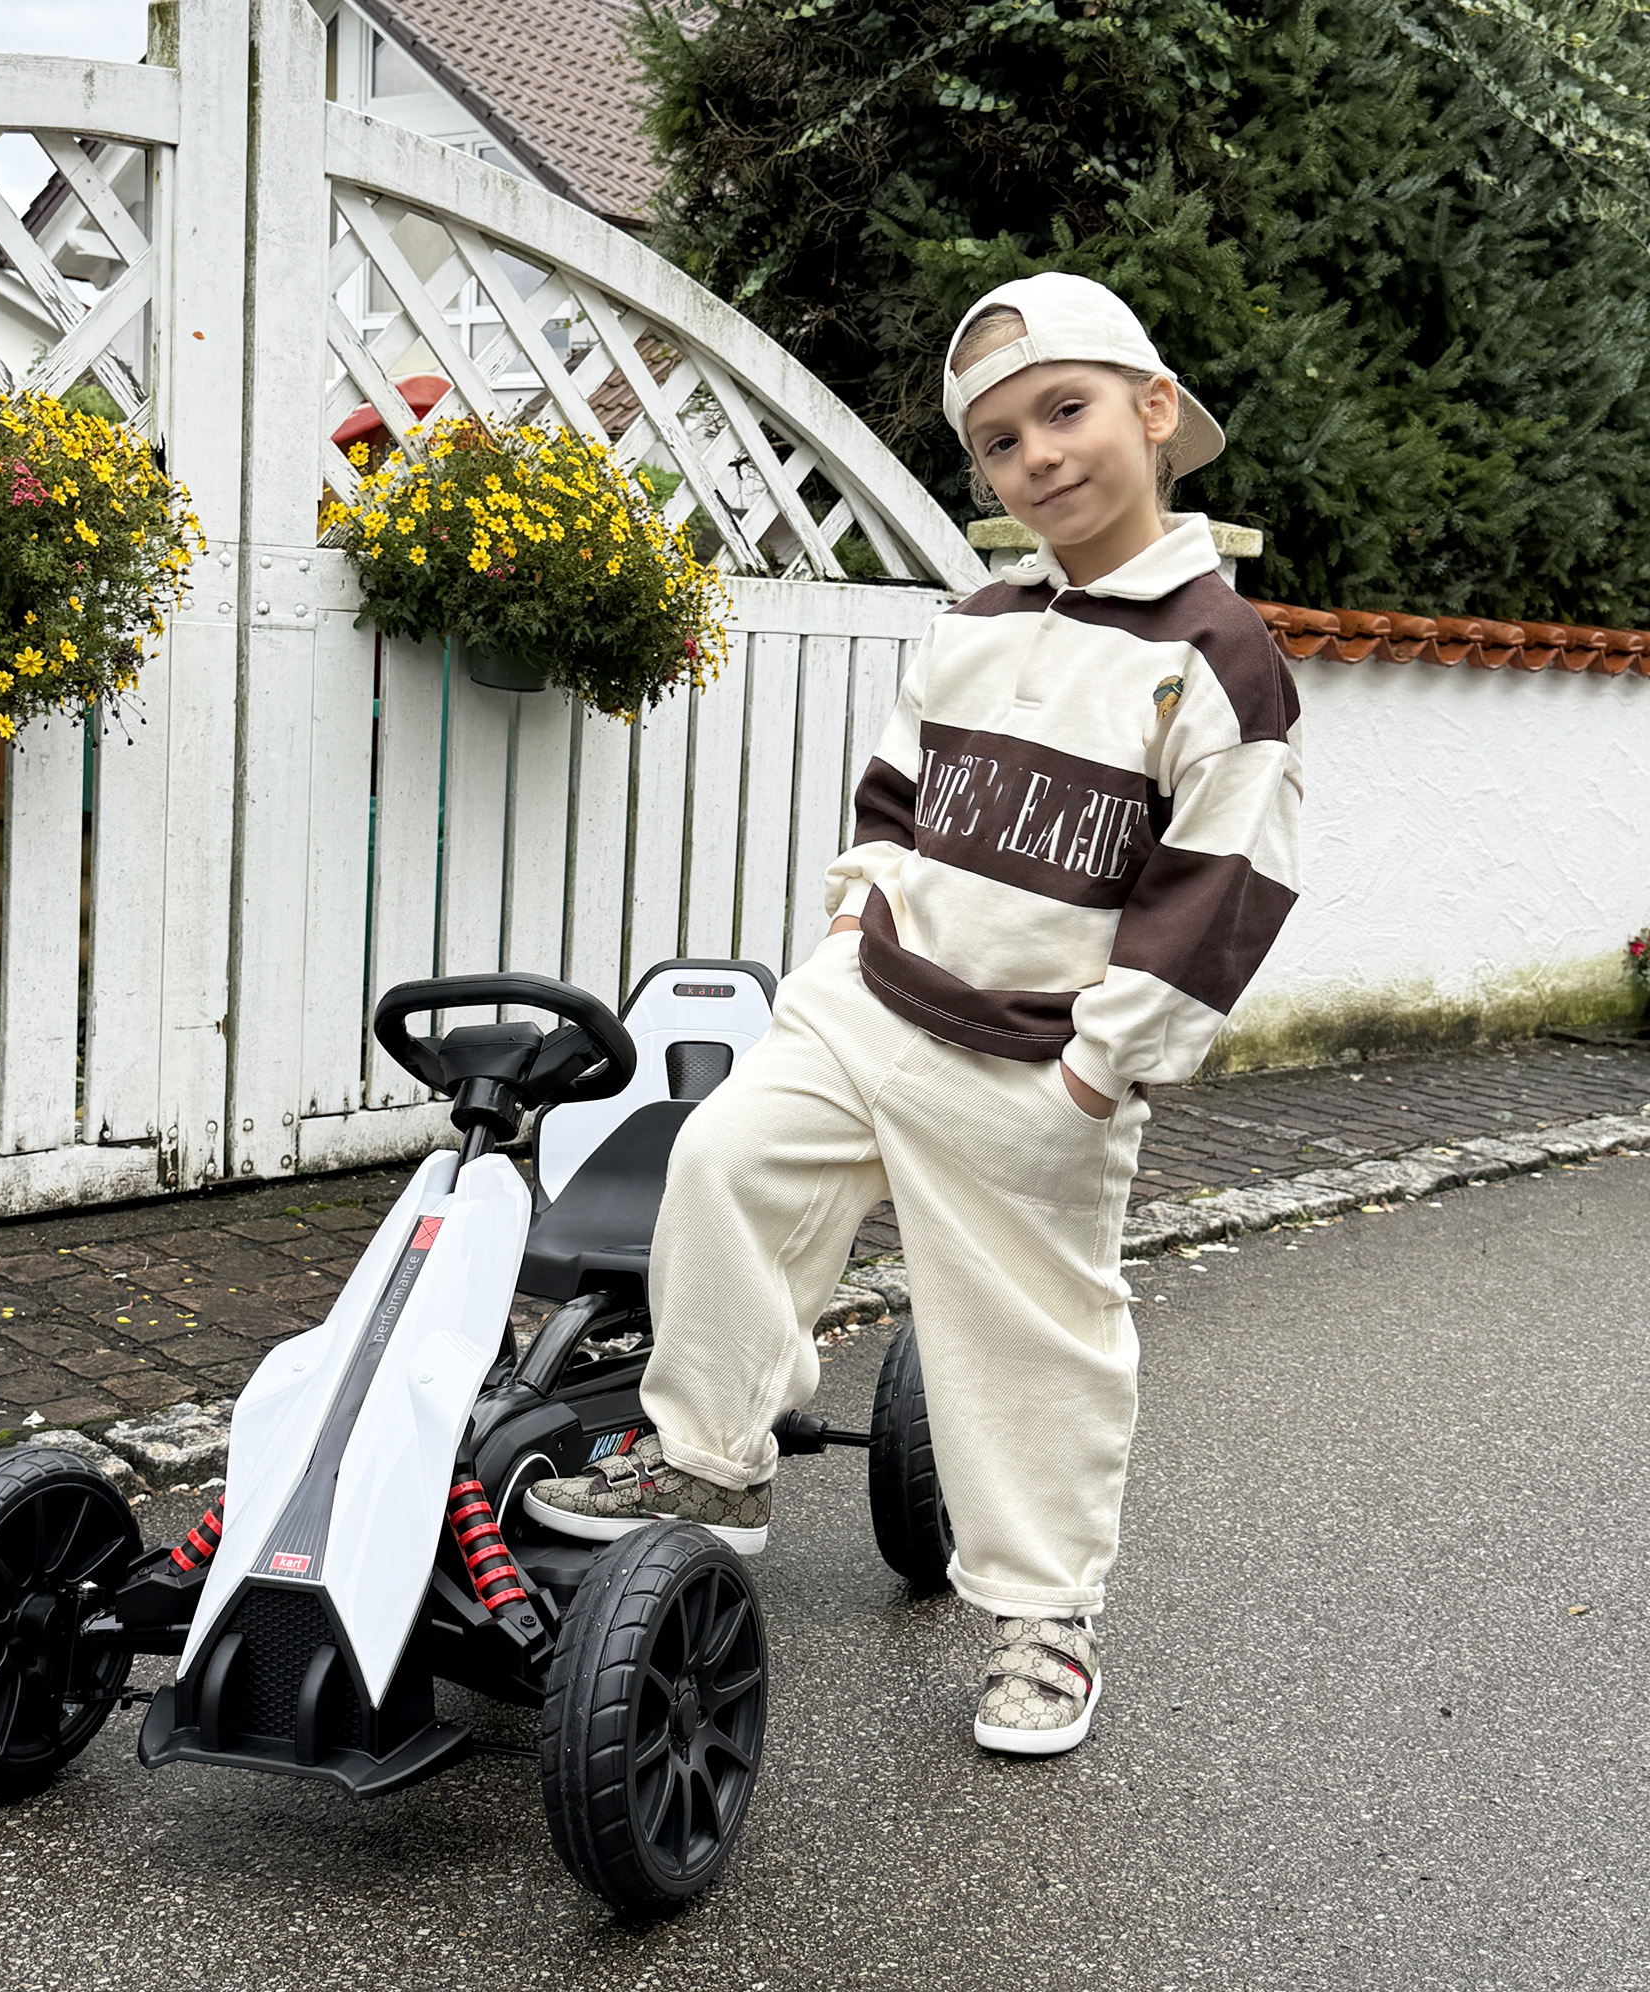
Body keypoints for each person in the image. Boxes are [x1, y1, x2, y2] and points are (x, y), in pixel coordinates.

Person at [524, 272, 1304, 1756]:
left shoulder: (1218, 653)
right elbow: (899, 793)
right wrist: (847, 921)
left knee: (1027, 1345)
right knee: (722, 1167)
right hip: (866, 1004)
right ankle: (710, 1458)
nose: (1040, 458)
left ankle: (1042, 1624)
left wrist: (1101, 1069)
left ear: (1153, 412)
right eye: (1001, 442)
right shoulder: (977, 615)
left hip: (1034, 1060)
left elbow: (1225, 876)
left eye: (1065, 412)